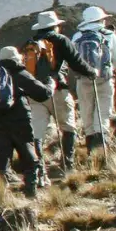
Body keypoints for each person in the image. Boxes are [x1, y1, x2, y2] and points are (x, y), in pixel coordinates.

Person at [25, 10, 96, 175]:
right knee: (68, 127)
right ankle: (67, 166)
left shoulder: (31, 44)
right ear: (55, 26)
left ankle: (38, 169)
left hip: (35, 93)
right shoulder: (60, 40)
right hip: (57, 90)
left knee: (37, 133)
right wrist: (92, 72)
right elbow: (76, 62)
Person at [0, 47, 54, 196]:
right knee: (29, 157)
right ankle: (30, 193)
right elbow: (42, 93)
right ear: (15, 58)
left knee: (2, 159)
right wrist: (51, 85)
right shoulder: (18, 72)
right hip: (19, 122)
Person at [71, 7, 116, 160]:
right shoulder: (109, 35)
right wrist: (109, 67)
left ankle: (90, 151)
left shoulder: (77, 36)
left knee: (87, 113)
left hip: (83, 80)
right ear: (101, 19)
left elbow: (71, 59)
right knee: (102, 114)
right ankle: (101, 152)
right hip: (104, 80)